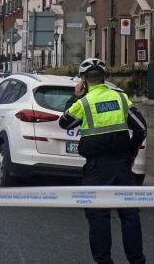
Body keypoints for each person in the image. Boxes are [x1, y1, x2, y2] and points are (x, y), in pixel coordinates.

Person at [58, 58, 148, 264]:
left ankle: (104, 261)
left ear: (83, 80)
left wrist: (75, 97)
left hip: (97, 168)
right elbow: (141, 128)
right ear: (104, 77)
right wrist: (131, 152)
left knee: (98, 215)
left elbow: (64, 123)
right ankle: (137, 261)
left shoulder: (84, 103)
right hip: (122, 165)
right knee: (129, 215)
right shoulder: (121, 98)